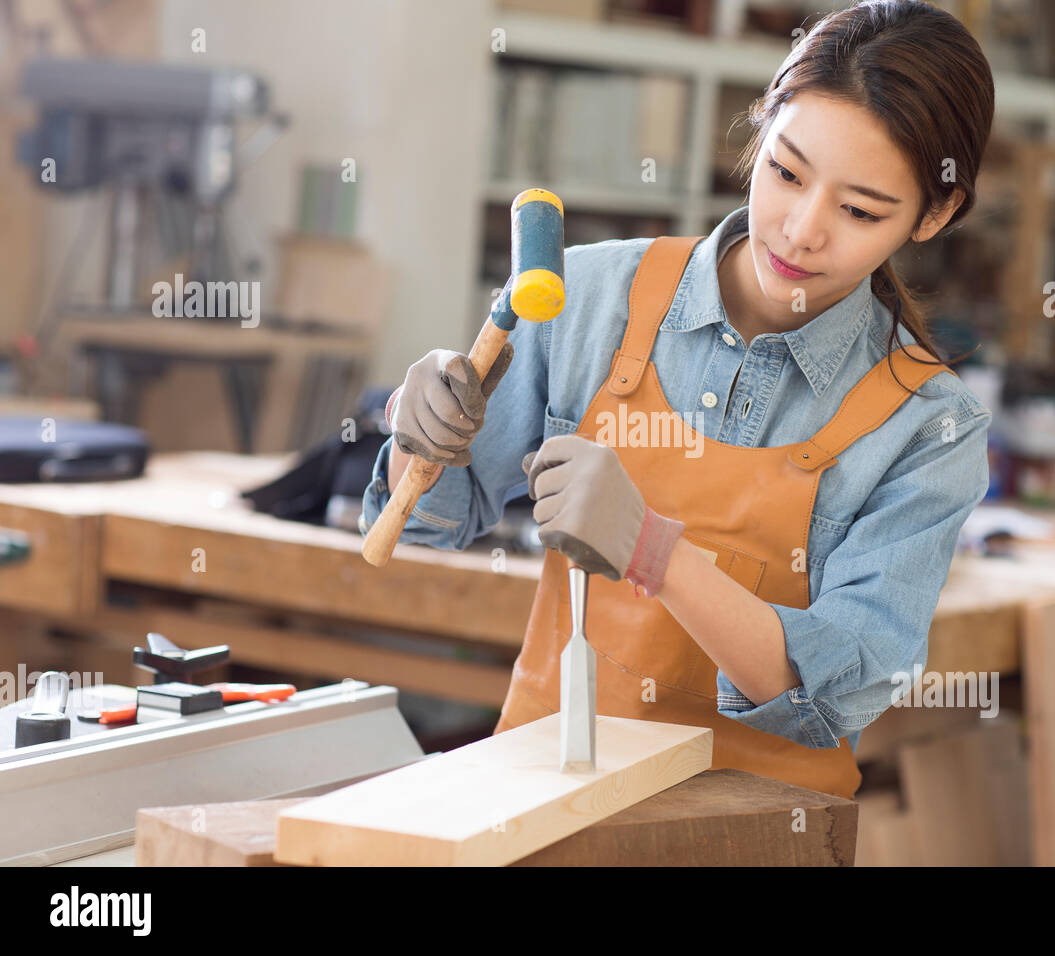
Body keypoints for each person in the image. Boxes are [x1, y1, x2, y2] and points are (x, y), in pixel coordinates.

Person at [361, 0, 995, 799]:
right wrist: (425, 435)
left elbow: (834, 697)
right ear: (758, 134)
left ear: (935, 213)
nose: (801, 230)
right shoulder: (585, 296)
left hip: (754, 834)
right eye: (786, 172)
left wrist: (653, 553)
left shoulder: (928, 426)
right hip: (540, 808)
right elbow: (421, 525)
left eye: (860, 210)